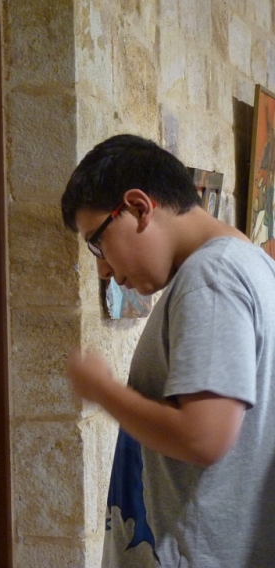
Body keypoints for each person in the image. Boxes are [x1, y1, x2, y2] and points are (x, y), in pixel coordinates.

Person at [61, 134, 275, 567]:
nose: (103, 269)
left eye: (97, 243)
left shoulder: (211, 276)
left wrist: (103, 390)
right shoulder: (253, 265)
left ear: (139, 207)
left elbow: (204, 436)